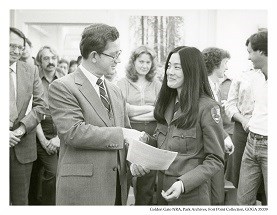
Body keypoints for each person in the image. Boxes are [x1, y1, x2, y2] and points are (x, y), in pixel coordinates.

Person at [48, 23, 145, 205]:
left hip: (117, 188)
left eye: (119, 54)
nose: (118, 60)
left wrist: (135, 161)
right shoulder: (63, 87)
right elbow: (74, 133)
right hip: (84, 189)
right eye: (113, 55)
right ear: (94, 56)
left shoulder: (115, 91)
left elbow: (126, 137)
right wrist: (122, 134)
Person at [135, 46, 225, 205]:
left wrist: (183, 184)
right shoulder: (167, 104)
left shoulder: (207, 107)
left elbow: (215, 159)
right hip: (162, 192)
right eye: (169, 66)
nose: (169, 72)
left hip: (191, 195)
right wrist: (141, 154)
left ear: (192, 70)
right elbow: (161, 142)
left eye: (177, 67)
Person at [117, 45, 162, 205]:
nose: (144, 65)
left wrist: (134, 110)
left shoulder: (157, 84)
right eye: (141, 61)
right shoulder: (122, 83)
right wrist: (151, 109)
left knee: (147, 182)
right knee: (125, 176)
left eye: (148, 62)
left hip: (151, 133)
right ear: (133, 62)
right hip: (129, 131)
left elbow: (161, 112)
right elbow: (123, 110)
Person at [9, 27, 46, 205]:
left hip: (22, 147)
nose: (16, 51)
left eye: (20, 47)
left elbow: (41, 106)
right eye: (11, 46)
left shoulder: (30, 71)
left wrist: (21, 130)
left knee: (19, 202)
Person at [237, 31, 268, 205]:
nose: (249, 57)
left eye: (250, 52)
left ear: (262, 52)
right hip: (251, 143)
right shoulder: (255, 77)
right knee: (243, 202)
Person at [29, 46, 62, 205]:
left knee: (58, 174)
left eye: (53, 58)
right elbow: (33, 111)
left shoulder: (64, 79)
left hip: (60, 134)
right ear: (39, 62)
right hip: (38, 133)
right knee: (46, 173)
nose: (51, 62)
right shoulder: (35, 79)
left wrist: (58, 138)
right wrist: (44, 141)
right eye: (46, 58)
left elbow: (69, 112)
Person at [202, 47, 234, 205]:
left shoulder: (215, 87)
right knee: (212, 193)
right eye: (225, 63)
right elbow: (210, 120)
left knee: (218, 192)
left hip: (216, 143)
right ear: (215, 64)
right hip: (209, 147)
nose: (227, 67)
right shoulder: (205, 87)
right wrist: (225, 137)